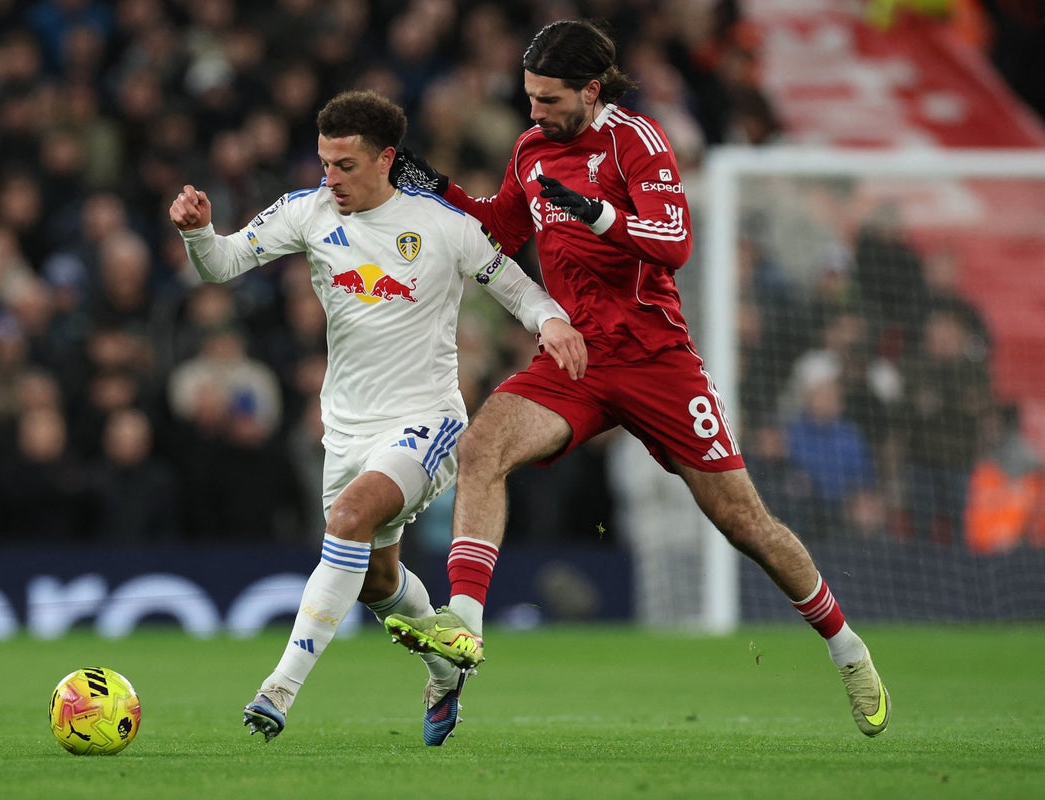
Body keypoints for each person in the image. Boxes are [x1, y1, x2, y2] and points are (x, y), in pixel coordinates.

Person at [382, 19, 890, 737]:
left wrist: (598, 215)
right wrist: (438, 190)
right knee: (482, 446)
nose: (534, 111)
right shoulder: (531, 149)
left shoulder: (638, 141)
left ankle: (847, 648)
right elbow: (503, 230)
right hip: (576, 358)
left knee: (744, 523)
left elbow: (675, 243)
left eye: (549, 99)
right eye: (529, 96)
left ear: (591, 90)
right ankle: (462, 630)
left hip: (656, 362)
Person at [168, 89, 586, 745]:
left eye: (346, 165)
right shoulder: (306, 212)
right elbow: (221, 264)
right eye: (324, 163)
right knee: (375, 580)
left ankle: (278, 690)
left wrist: (552, 323)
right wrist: (197, 231)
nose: (331, 178)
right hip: (347, 430)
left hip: (426, 420)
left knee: (347, 519)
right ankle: (444, 670)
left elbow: (517, 288)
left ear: (386, 159)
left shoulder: (443, 224)